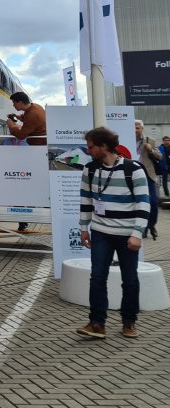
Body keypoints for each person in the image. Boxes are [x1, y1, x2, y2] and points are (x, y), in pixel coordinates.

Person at [76, 127, 147, 339]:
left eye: (91, 147)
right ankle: (97, 323)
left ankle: (129, 321)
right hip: (100, 233)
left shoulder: (133, 169)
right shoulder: (89, 169)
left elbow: (144, 203)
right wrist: (83, 229)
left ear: (104, 146)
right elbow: (86, 201)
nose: (88, 151)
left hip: (127, 235)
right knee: (97, 277)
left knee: (130, 279)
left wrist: (137, 233)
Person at [6, 92, 47, 231]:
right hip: (36, 152)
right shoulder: (36, 107)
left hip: (34, 153)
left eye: (14, 103)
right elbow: (28, 119)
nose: (13, 106)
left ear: (19, 102)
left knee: (24, 185)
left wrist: (12, 126)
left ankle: (26, 217)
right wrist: (19, 118)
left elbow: (21, 134)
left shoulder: (32, 114)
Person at [135, 120, 162, 240]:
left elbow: (159, 156)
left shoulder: (149, 140)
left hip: (148, 174)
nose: (135, 130)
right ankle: (143, 227)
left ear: (142, 128)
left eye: (138, 128)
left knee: (154, 202)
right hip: (132, 174)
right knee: (140, 202)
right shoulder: (125, 138)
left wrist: (150, 149)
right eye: (134, 128)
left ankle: (152, 225)